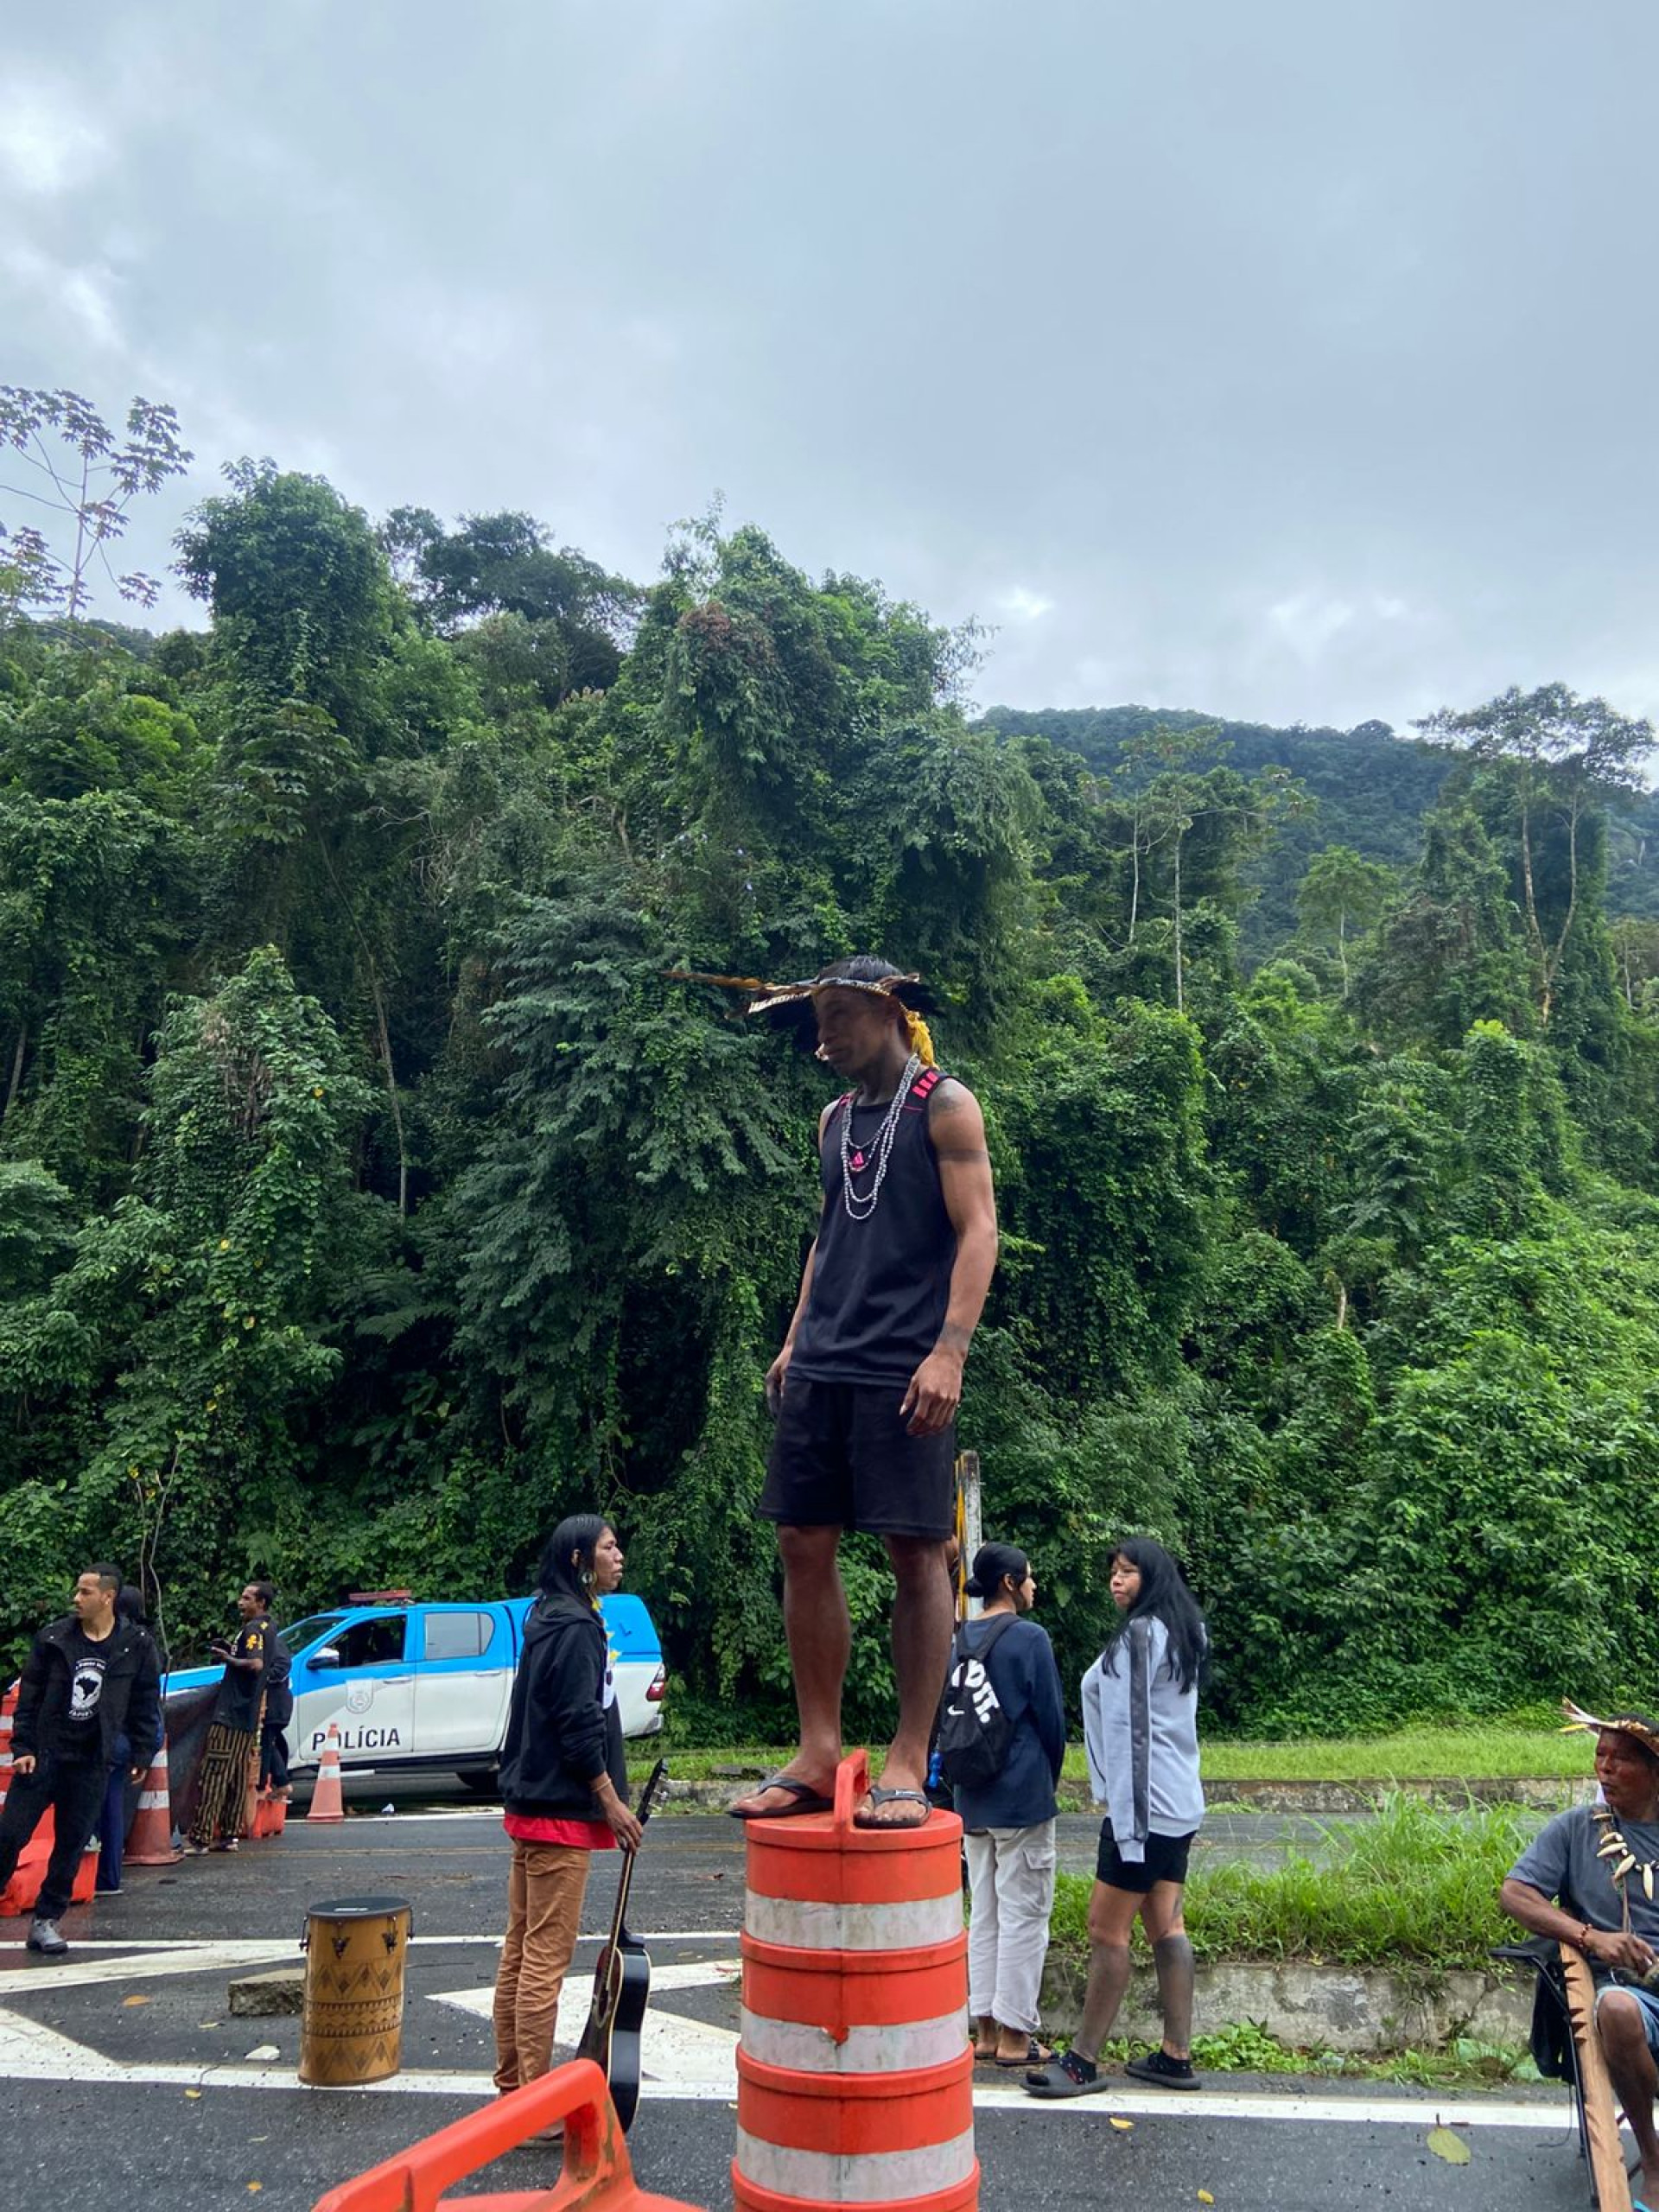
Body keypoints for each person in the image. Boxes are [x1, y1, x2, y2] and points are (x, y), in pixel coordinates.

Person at [723, 957, 999, 1831]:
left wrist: (950, 1351)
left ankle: (910, 1761)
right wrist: (795, 1335)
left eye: (839, 1017)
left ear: (889, 1011)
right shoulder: (835, 1118)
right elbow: (828, 1232)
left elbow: (979, 1229)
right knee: (803, 1540)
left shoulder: (944, 1105)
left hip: (902, 1363)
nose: (823, 1037)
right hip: (826, 1359)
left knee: (916, 1554)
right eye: (818, 1019)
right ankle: (816, 1749)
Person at [1027, 1537, 1207, 2098]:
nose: (1116, 1580)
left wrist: (1125, 1825)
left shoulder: (1139, 1637)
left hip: (1143, 1809)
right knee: (1166, 1925)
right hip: (1175, 1804)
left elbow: (1132, 1732)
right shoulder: (1183, 1631)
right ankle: (1175, 2056)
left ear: (1151, 1578)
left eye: (1129, 1572)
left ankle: (1081, 2062)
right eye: (1113, 1571)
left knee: (1106, 1930)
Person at [492, 1515, 644, 2099]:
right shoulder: (577, 1627)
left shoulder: (543, 1618)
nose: (619, 1555)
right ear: (580, 1559)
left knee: (520, 1948)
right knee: (544, 1961)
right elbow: (578, 1724)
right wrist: (610, 1801)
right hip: (560, 1811)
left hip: (529, 1802)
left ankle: (511, 2084)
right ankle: (532, 2101)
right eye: (608, 1548)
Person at [1500, 1701, 1659, 2209]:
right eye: (1600, 1756)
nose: (1605, 1769)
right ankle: (1655, 2163)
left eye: (1621, 1760)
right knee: (1616, 2007)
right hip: (1628, 2001)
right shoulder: (1577, 1829)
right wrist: (1593, 1938)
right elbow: (1516, 1893)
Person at [947, 1542, 1066, 2069]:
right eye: (1030, 1578)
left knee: (987, 1914)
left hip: (972, 1797)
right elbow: (1052, 1722)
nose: (1035, 1586)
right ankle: (1019, 2038)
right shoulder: (1029, 1638)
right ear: (1011, 1584)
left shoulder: (959, 1639)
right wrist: (1048, 1781)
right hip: (1021, 1797)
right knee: (1025, 1915)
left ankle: (988, 2031)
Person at [0, 1565, 161, 1955]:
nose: (76, 1598)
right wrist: (23, 1748)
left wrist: (141, 1750)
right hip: (45, 1754)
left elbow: (144, 1701)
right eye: (77, 1590)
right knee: (9, 1836)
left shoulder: (135, 1644)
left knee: (72, 1843)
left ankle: (46, 1920)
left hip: (92, 1759)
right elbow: (30, 1696)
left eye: (85, 1592)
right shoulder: (54, 1638)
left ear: (107, 1597)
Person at [185, 1581, 270, 1853]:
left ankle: (201, 1837)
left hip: (232, 1713)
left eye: (247, 1599)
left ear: (261, 1604)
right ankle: (230, 1834)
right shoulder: (270, 1629)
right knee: (236, 1774)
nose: (240, 1602)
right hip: (247, 1715)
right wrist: (232, 1651)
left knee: (215, 1772)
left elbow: (255, 1664)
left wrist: (228, 1659)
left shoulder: (253, 1630)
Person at [95, 1585, 164, 1894]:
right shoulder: (144, 1641)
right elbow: (149, 1703)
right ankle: (108, 1876)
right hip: (127, 1739)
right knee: (111, 1805)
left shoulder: (113, 1642)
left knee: (99, 1806)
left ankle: (98, 1874)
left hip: (109, 1736)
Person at [259, 1606, 293, 1800]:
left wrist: (261, 1678)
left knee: (266, 1742)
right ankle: (280, 1781)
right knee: (272, 1742)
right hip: (274, 1703)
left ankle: (278, 1783)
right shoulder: (264, 1642)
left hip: (274, 1703)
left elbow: (282, 1666)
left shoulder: (272, 1642)